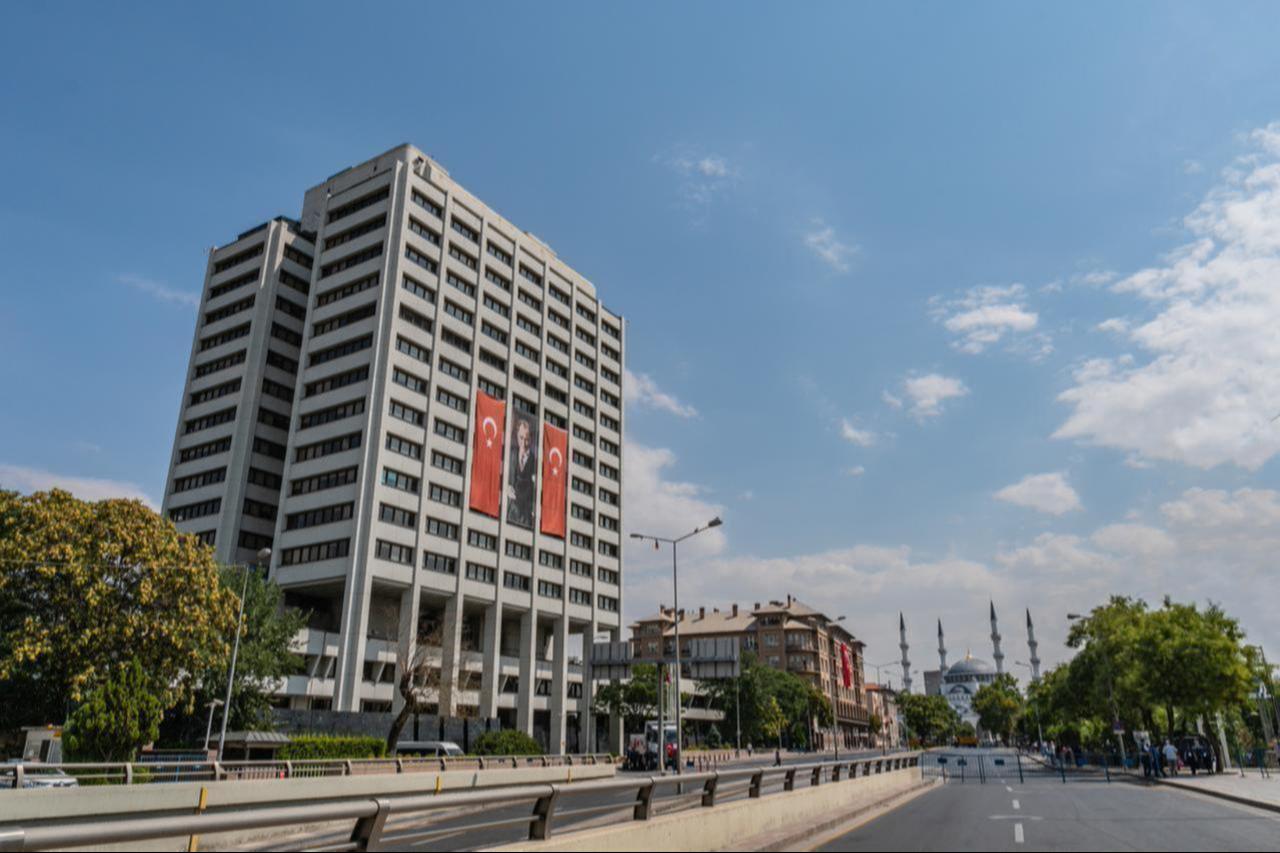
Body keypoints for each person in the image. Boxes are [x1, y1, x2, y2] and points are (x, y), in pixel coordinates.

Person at [505, 416, 537, 527]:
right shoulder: (510, 454)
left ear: (531, 439)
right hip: (510, 511)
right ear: (517, 436)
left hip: (525, 514)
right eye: (521, 438)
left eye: (527, 439)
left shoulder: (535, 461)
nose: (523, 442)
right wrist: (506, 487)